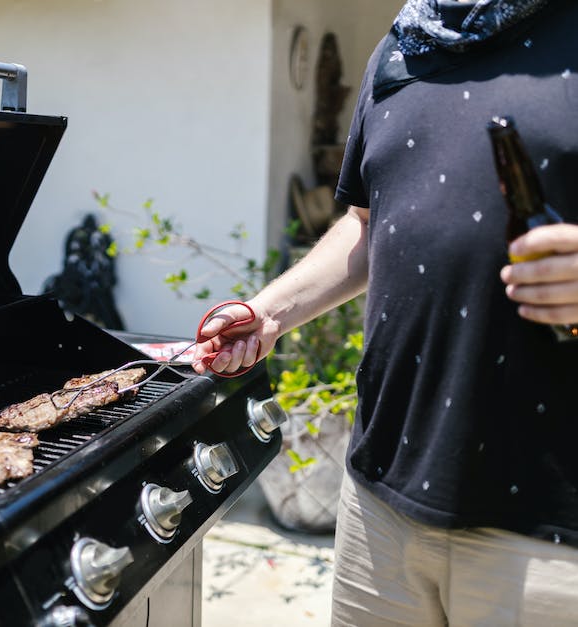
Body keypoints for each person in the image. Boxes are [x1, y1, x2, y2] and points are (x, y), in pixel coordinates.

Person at [192, 1, 578, 624]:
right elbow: (369, 224)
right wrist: (269, 313)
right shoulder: (402, 47)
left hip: (547, 529)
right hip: (379, 504)